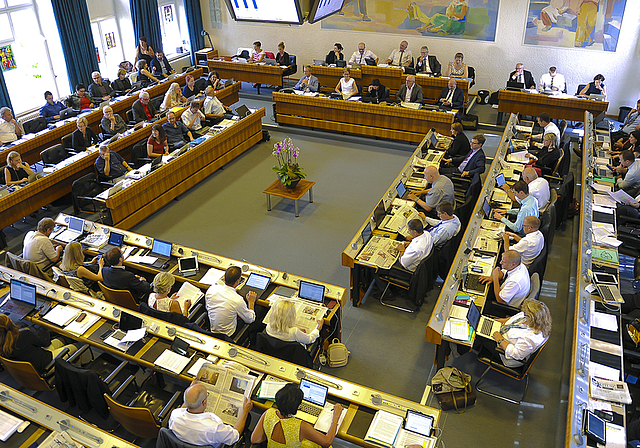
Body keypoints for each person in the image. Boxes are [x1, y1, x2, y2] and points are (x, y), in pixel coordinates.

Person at [251, 383, 342, 448]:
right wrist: (335, 418)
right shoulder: (301, 426)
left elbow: (254, 439)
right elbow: (327, 442)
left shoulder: (268, 413)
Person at [169, 383, 252, 446]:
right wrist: (245, 412)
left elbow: (183, 409)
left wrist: (190, 392)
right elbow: (235, 435)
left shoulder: (174, 415)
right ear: (204, 402)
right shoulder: (214, 428)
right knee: (247, 418)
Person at [0, 315, 80, 374]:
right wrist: (34, 331)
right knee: (77, 346)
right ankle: (79, 373)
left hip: (29, 370)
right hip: (47, 365)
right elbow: (45, 342)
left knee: (61, 340)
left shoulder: (3, 344)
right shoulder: (23, 335)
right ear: (10, 323)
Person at [483, 299, 551, 368]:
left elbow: (516, 354)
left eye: (525, 314)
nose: (523, 314)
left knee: (478, 337)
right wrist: (499, 321)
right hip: (500, 332)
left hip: (503, 351)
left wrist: (500, 340)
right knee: (483, 321)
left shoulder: (530, 338)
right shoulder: (530, 316)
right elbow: (513, 319)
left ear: (532, 318)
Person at [205, 266, 256, 338]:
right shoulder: (237, 300)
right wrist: (251, 302)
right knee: (258, 311)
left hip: (212, 329)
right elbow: (250, 319)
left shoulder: (212, 289)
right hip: (228, 335)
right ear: (237, 281)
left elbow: (207, 307)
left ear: (224, 278)